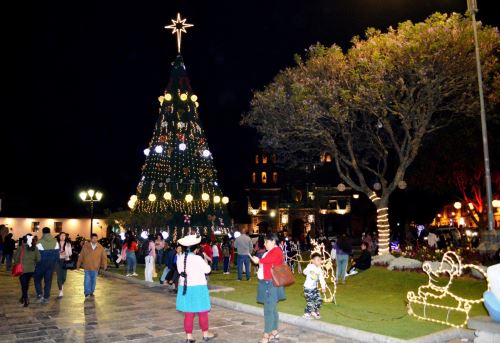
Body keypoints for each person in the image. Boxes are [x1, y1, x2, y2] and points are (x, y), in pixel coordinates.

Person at [176, 234, 216, 342]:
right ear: (195, 248)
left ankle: (189, 337)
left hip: (185, 288)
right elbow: (208, 270)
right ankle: (205, 333)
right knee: (203, 311)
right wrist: (206, 260)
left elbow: (180, 272)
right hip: (198, 288)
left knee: (189, 313)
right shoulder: (197, 258)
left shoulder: (180, 259)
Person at [249, 233, 286, 343]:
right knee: (272, 308)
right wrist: (258, 260)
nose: (264, 244)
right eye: (264, 242)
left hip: (271, 283)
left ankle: (267, 334)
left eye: (266, 242)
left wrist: (258, 260)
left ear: (273, 241)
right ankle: (274, 332)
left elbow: (267, 261)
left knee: (268, 310)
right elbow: (266, 262)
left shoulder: (277, 251)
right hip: (268, 282)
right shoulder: (271, 251)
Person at [76, 233, 108, 299]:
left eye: (96, 238)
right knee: (87, 280)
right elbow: (81, 255)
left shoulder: (100, 247)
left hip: (96, 267)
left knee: (93, 281)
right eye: (93, 238)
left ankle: (91, 291)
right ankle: (87, 293)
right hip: (87, 267)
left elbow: (104, 257)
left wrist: (105, 265)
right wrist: (78, 264)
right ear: (91, 239)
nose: (95, 240)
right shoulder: (86, 246)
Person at [13, 234, 40, 307]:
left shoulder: (20, 248)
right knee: (26, 284)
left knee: (24, 285)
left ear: (23, 240)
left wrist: (17, 263)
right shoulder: (35, 248)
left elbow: (15, 259)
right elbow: (38, 259)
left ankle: (26, 299)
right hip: (31, 270)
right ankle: (23, 297)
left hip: (22, 270)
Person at [34, 227, 60, 304]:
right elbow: (57, 255)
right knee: (48, 281)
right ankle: (46, 297)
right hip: (50, 265)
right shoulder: (55, 241)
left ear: (43, 233)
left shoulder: (39, 242)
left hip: (41, 264)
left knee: (37, 279)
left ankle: (39, 294)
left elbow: (36, 255)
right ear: (50, 232)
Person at [303, 253, 326, 319]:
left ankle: (315, 312)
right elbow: (304, 271)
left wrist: (323, 287)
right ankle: (307, 314)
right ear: (313, 261)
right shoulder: (310, 266)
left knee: (319, 300)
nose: (319, 261)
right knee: (310, 302)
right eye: (317, 260)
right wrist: (309, 272)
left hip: (314, 288)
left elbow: (321, 278)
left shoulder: (319, 269)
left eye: (320, 260)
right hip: (307, 288)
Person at [55, 232, 73, 298]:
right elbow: (54, 252)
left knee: (64, 277)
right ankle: (60, 290)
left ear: (65, 237)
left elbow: (70, 253)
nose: (63, 237)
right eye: (61, 235)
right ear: (59, 236)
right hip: (57, 261)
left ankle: (61, 284)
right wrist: (58, 253)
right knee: (59, 276)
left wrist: (66, 253)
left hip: (65, 261)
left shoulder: (68, 244)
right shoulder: (56, 243)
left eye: (64, 236)